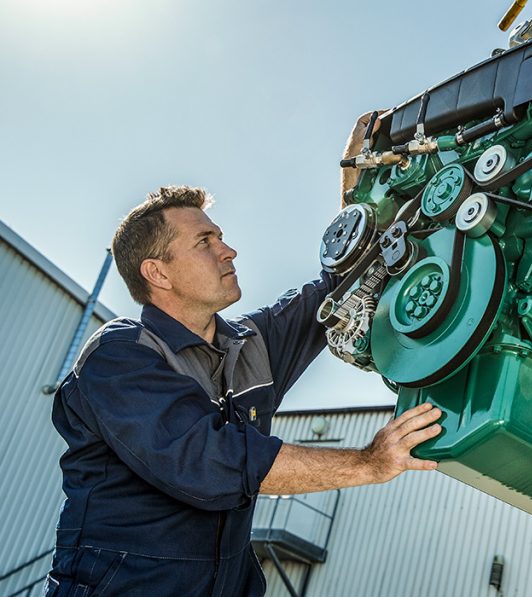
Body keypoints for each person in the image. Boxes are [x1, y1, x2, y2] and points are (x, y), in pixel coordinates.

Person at [47, 174, 439, 592]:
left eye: (220, 237)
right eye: (204, 242)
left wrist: (363, 192)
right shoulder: (120, 355)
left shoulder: (250, 343)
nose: (228, 250)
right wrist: (369, 462)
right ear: (157, 273)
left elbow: (336, 285)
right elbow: (210, 462)